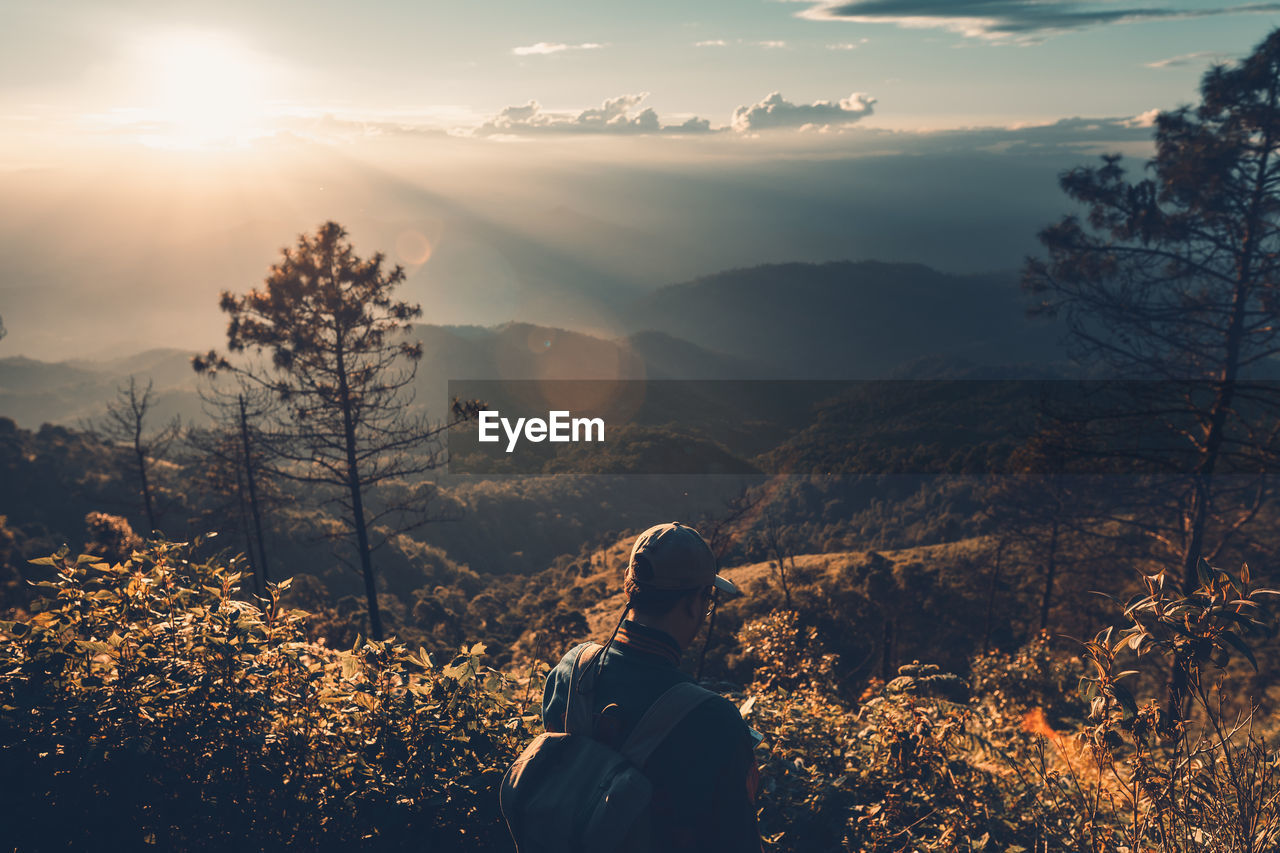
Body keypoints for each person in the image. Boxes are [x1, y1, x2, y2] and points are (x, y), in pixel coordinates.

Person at [541, 521, 763, 852]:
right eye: (708, 599)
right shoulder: (714, 720)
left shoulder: (571, 671)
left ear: (631, 588)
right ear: (694, 603)